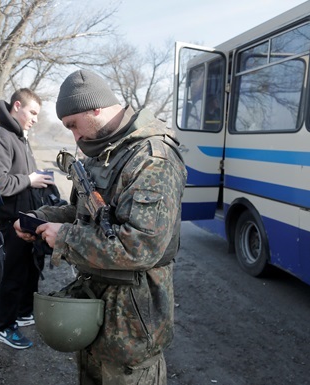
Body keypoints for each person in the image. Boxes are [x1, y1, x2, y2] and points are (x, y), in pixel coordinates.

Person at [15, 70, 187, 384]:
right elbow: (80, 212)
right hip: (93, 316)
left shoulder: (151, 158)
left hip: (133, 328)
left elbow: (141, 246)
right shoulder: (101, 151)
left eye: (73, 125)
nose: (74, 137)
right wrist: (42, 218)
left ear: (95, 108)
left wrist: (64, 239)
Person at [0, 88, 54, 349]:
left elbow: (22, 176)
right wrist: (29, 180)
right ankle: (5, 327)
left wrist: (37, 180)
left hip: (26, 218)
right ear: (17, 106)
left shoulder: (20, 138)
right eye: (32, 112)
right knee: (10, 276)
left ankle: (23, 314)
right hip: (8, 221)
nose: (35, 118)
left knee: (29, 270)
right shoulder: (0, 137)